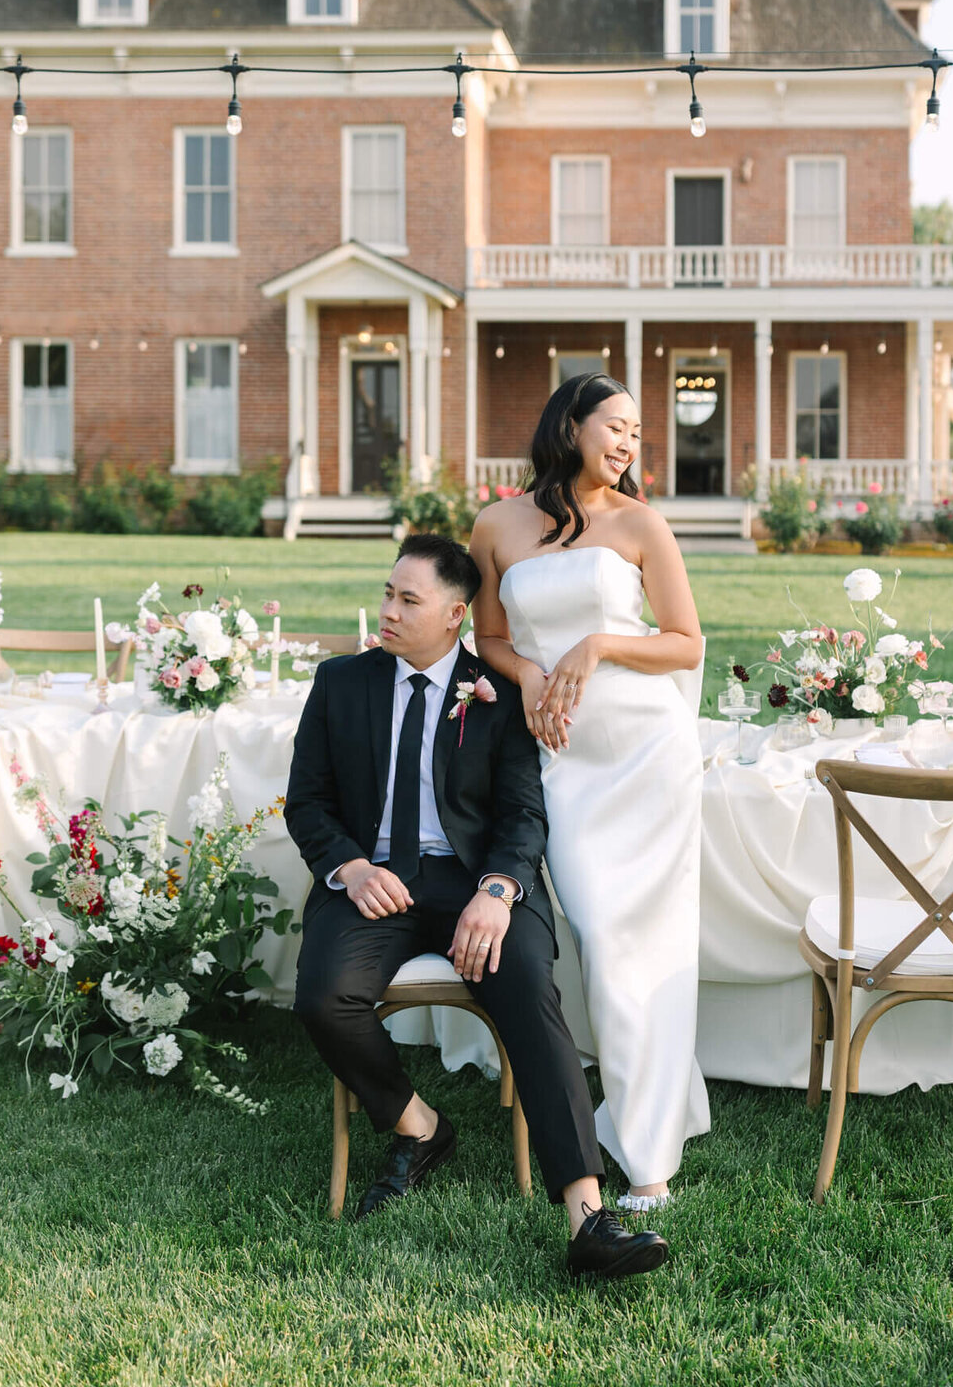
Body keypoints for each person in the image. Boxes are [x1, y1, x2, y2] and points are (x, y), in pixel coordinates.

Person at [286, 532, 669, 1279]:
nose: (388, 610)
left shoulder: (495, 695)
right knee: (323, 997)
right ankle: (420, 1126)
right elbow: (307, 802)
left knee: (529, 984)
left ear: (456, 614)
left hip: (477, 882)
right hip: (375, 881)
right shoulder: (341, 683)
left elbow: (524, 815)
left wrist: (498, 892)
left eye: (408, 599)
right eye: (388, 593)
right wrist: (351, 867)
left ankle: (589, 1214)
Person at [469, 373, 711, 1211]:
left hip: (648, 754)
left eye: (638, 434)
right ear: (569, 424)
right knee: (602, 937)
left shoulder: (641, 522)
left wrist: (600, 645)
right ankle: (652, 1106)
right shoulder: (497, 524)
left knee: (643, 943)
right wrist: (533, 673)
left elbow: (685, 644)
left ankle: (649, 1160)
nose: (628, 444)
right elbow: (489, 639)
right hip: (563, 761)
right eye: (615, 426)